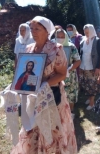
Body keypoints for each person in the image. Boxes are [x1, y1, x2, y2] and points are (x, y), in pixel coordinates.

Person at [11, 16, 77, 154]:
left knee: (51, 131)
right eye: (32, 29)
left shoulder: (56, 49)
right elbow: (23, 71)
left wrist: (43, 84)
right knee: (31, 130)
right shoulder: (28, 48)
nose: (33, 32)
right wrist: (17, 84)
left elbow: (62, 74)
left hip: (51, 97)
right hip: (32, 98)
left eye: (37, 29)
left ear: (47, 31)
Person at [55, 29, 81, 119]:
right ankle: (59, 114)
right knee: (58, 94)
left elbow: (78, 61)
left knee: (70, 94)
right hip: (56, 76)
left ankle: (71, 112)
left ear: (66, 37)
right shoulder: (52, 47)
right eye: (58, 36)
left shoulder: (71, 47)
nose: (60, 38)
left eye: (62, 37)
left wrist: (69, 69)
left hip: (69, 76)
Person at [79, 24, 100, 110]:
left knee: (92, 85)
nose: (86, 33)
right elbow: (81, 53)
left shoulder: (97, 40)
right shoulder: (83, 40)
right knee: (85, 84)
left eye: (88, 32)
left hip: (92, 66)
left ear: (92, 31)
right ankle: (89, 99)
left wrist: (98, 67)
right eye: (85, 32)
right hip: (83, 66)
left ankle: (92, 103)